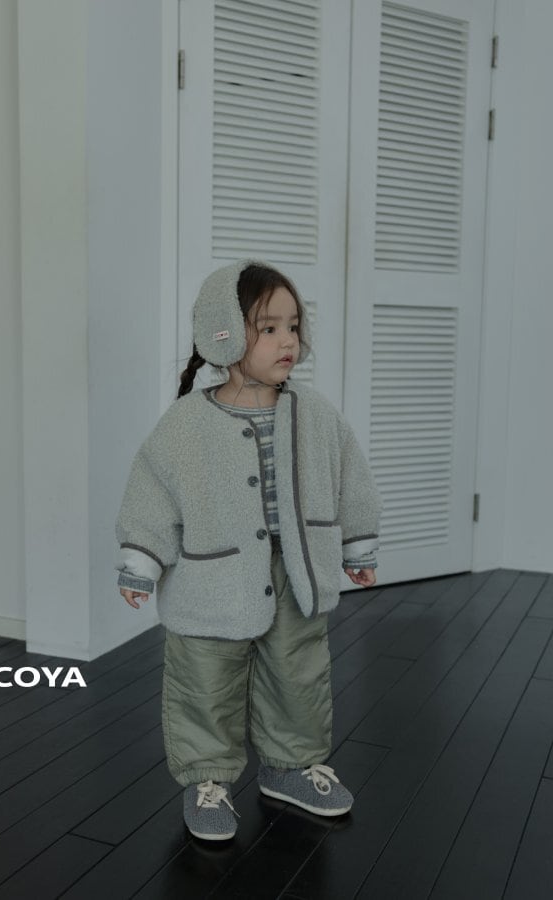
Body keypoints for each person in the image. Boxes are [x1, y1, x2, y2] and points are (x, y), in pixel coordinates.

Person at [115, 260, 381, 841]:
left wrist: (357, 547)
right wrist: (140, 563)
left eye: (293, 327)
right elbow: (153, 493)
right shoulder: (186, 423)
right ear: (225, 334)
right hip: (211, 582)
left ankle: (289, 766)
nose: (288, 341)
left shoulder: (315, 413)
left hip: (297, 572)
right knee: (204, 680)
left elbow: (350, 480)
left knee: (298, 673)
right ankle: (207, 779)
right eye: (269, 328)